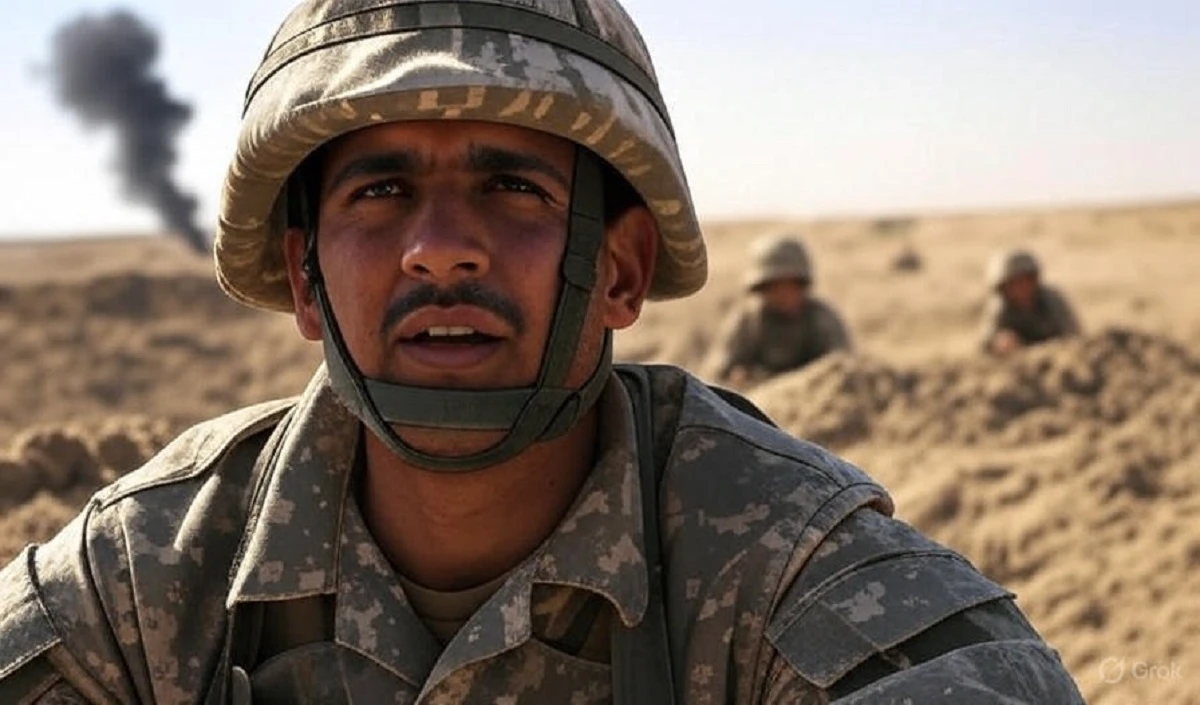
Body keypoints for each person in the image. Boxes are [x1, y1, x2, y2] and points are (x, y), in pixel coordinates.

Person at [0, 1, 1084, 702]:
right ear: (304, 277)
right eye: (381, 190)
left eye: (511, 186)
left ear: (621, 271)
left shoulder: (774, 564)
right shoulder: (153, 573)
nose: (439, 250)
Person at [703, 234, 852, 387]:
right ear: (763, 288)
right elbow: (716, 375)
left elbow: (843, 368)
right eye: (776, 287)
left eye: (790, 285)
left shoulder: (821, 318)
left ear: (802, 285)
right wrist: (737, 379)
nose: (784, 294)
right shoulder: (748, 321)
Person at [980, 249, 1082, 356]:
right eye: (1015, 283)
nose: (1022, 288)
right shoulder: (999, 309)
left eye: (1026, 280)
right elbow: (984, 345)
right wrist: (998, 343)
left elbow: (1074, 335)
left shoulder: (1052, 301)